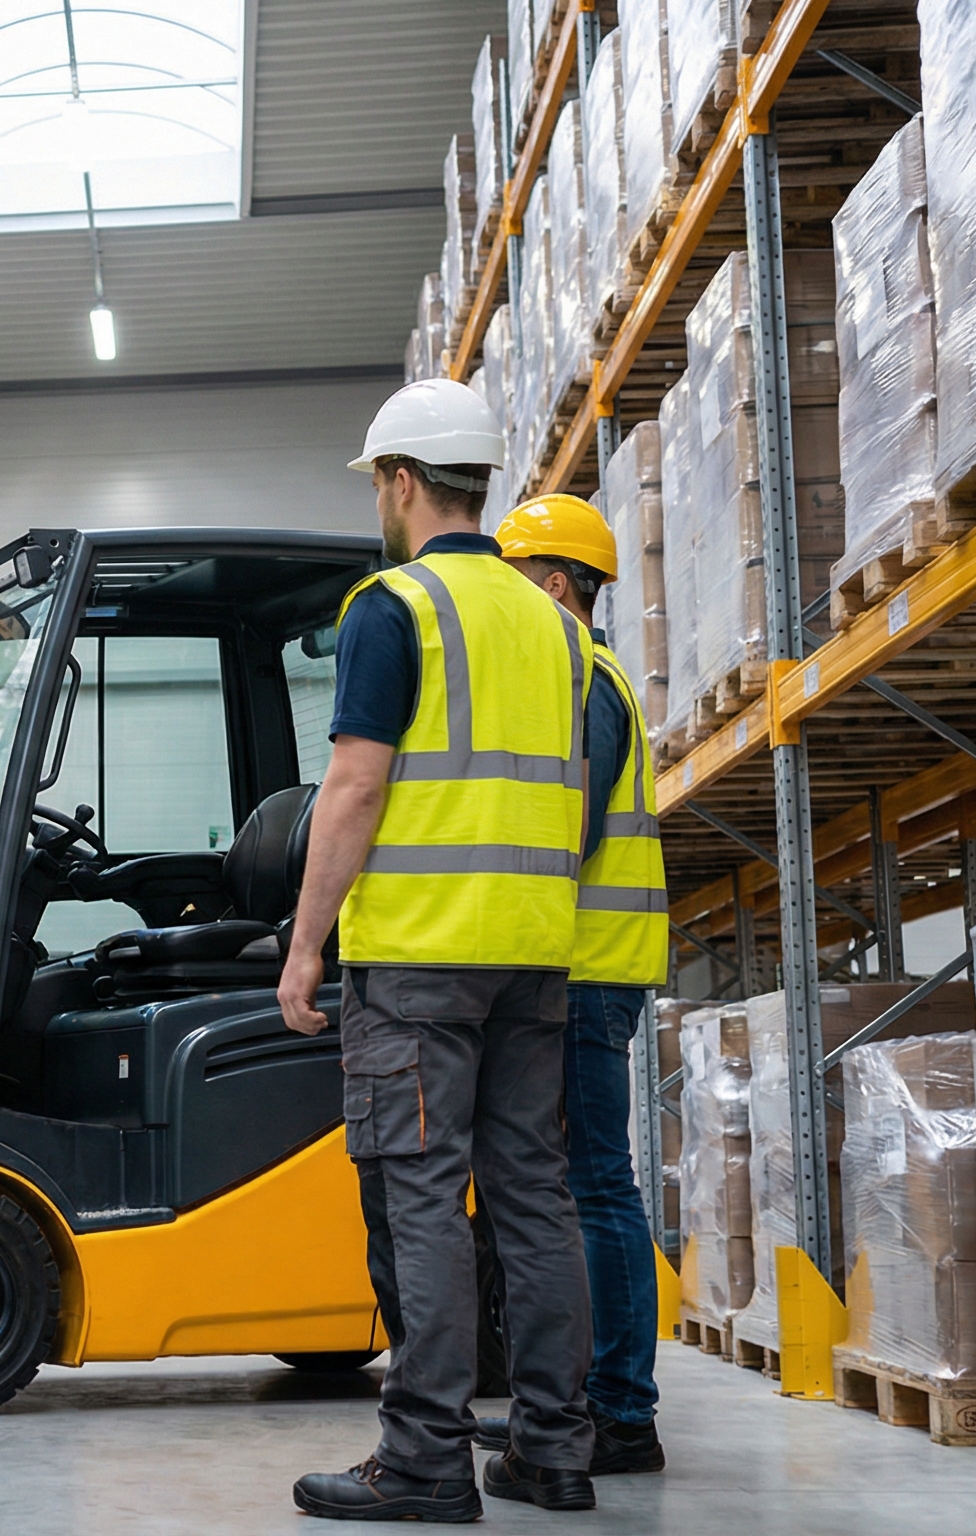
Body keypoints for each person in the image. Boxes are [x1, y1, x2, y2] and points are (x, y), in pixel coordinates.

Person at [276, 379, 597, 1522]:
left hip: (418, 954)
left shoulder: (394, 606)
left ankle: (423, 1459)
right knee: (532, 1197)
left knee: (418, 1198)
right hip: (534, 951)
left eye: (378, 483)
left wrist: (304, 943)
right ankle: (553, 1449)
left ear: (402, 481)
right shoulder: (555, 624)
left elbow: (355, 786)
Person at [477, 493, 669, 1475]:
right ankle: (581, 1400)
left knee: (596, 1184)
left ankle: (620, 1412)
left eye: (514, 585)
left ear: (557, 586)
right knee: (581, 1182)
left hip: (587, 968)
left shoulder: (584, 680)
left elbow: (573, 827)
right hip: (584, 964)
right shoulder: (584, 675)